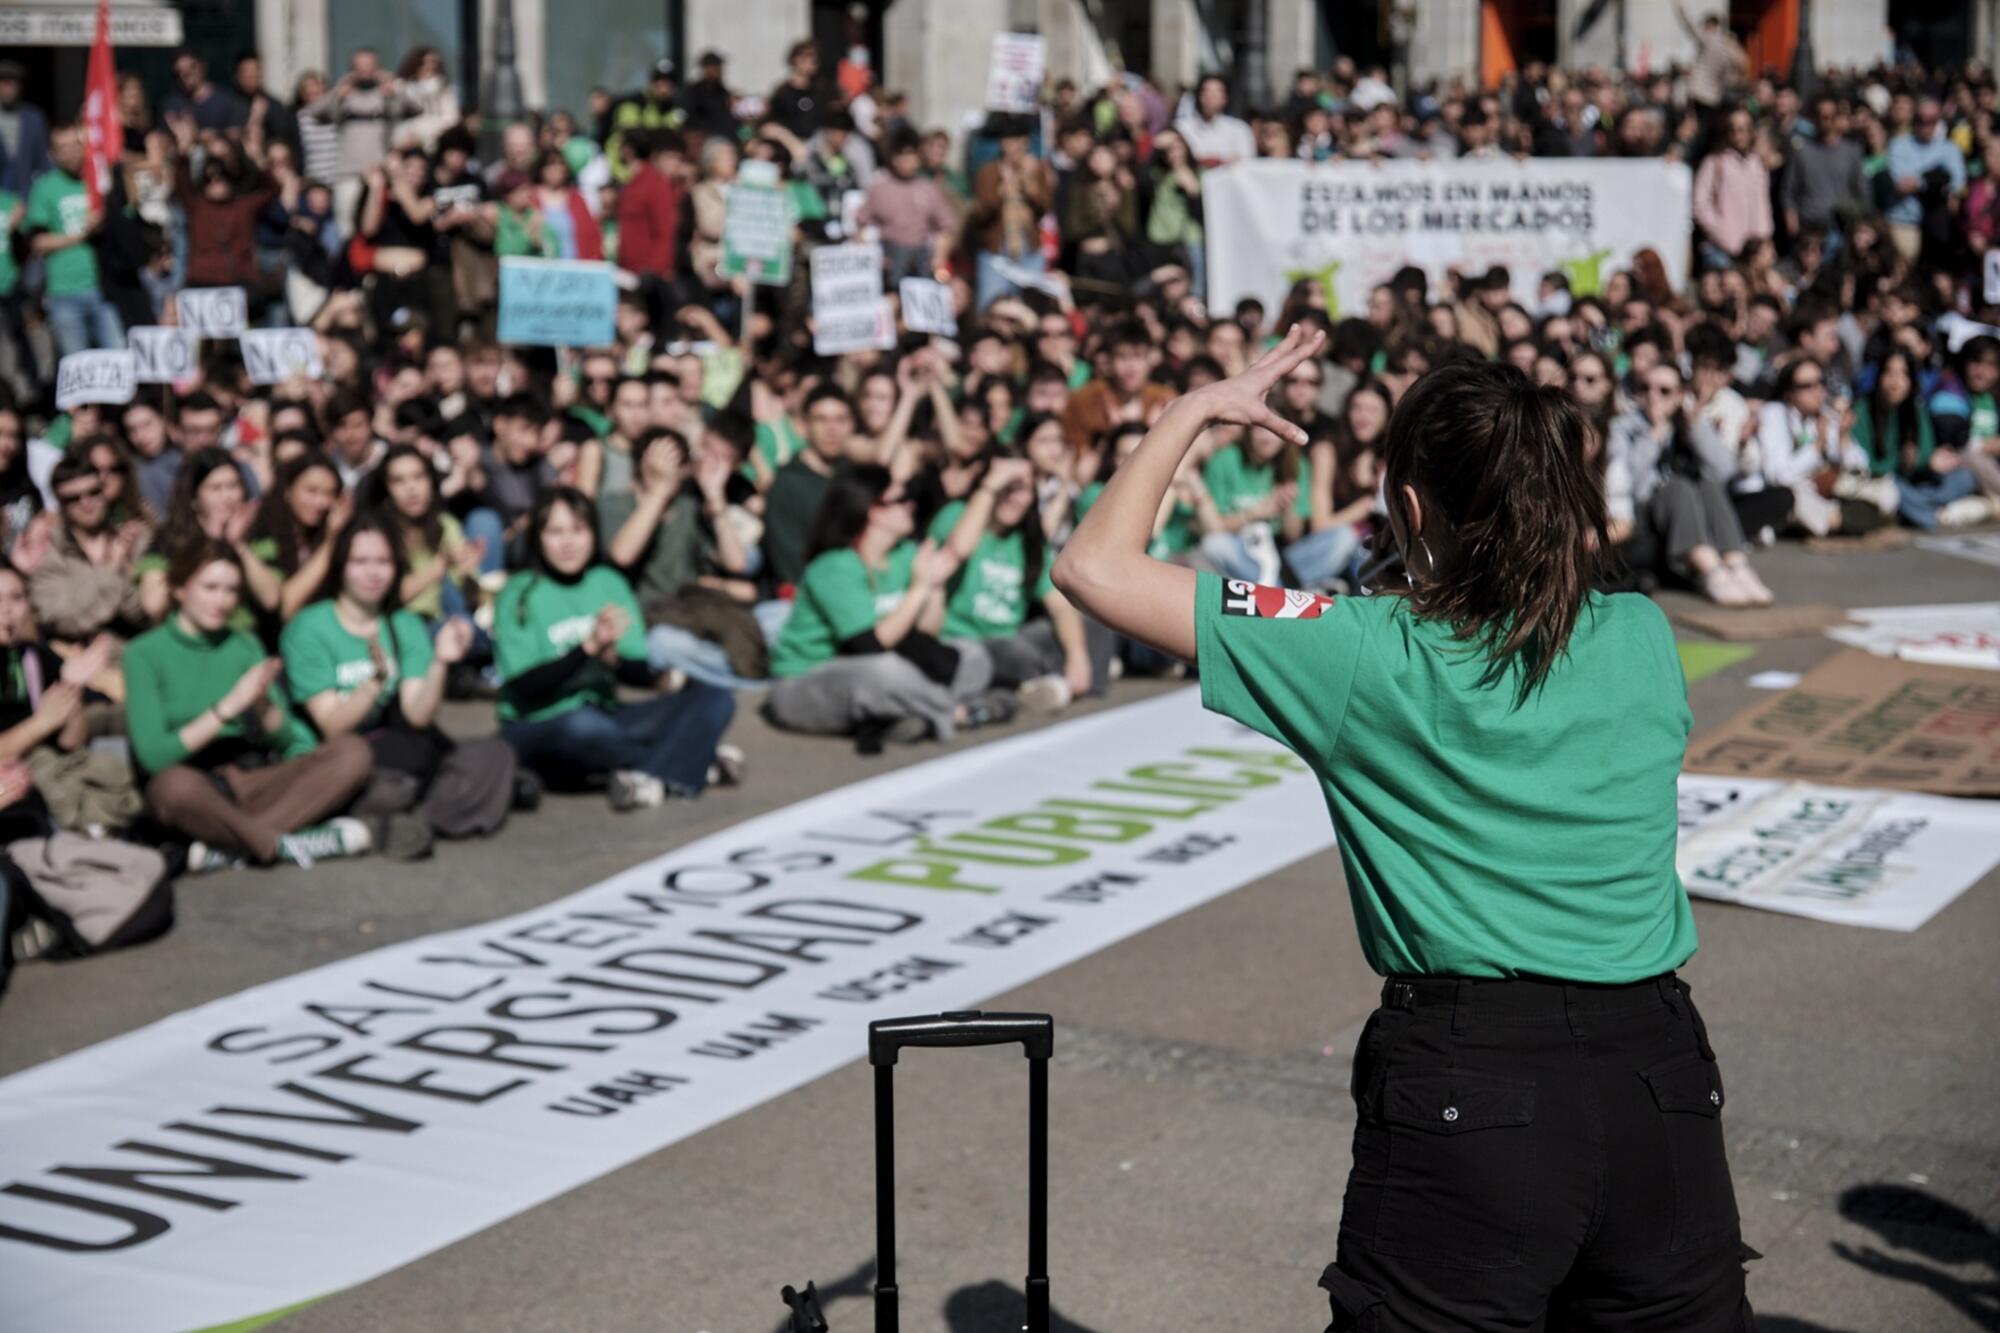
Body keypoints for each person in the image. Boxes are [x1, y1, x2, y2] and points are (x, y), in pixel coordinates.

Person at [1055, 331, 1751, 1330]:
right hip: (1659, 1084)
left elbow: (1093, 566)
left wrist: (1188, 412)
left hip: (1472, 1090)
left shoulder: (1356, 651)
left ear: (1412, 510)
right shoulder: (1641, 633)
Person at [125, 538, 375, 870]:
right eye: (210, 587)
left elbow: (285, 739)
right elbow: (154, 756)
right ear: (180, 589)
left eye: (231, 590)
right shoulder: (143, 653)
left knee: (352, 752)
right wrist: (227, 708)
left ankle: (232, 845)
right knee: (170, 789)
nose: (222, 600)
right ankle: (281, 845)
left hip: (253, 776)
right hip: (197, 784)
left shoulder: (244, 644)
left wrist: (263, 710)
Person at [494, 489, 737, 810]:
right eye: (555, 532)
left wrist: (618, 662)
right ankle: (693, 762)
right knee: (580, 725)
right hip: (539, 724)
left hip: (606, 714)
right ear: (537, 537)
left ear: (593, 533)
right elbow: (525, 686)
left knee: (716, 697)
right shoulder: (518, 593)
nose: (568, 543)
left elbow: (635, 667)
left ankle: (652, 777)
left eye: (578, 531)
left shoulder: (608, 583)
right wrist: (588, 648)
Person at [282, 517, 517, 845]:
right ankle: (407, 815)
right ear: (340, 566)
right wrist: (374, 684)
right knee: (391, 776)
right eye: (360, 562)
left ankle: (400, 821)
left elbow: (417, 715)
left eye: (383, 562)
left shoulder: (404, 623)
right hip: (341, 757)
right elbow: (332, 726)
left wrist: (439, 662)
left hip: (397, 752)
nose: (373, 572)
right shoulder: (309, 628)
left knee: (494, 755)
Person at [765, 465, 1011, 749]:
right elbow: (870, 644)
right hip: (806, 681)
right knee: (885, 672)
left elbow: (929, 631)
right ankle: (960, 713)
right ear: (872, 510)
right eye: (900, 500)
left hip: (876, 669)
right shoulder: (834, 566)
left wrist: (934, 586)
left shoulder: (903, 555)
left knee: (971, 654)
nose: (910, 505)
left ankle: (902, 715)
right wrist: (919, 589)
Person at [930, 457, 1096, 712]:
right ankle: (1023, 690)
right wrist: (991, 485)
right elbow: (958, 550)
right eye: (1008, 488)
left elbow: (1059, 604)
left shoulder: (1027, 539)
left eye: (1024, 490)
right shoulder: (957, 515)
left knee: (1081, 626)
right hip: (961, 640)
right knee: (1011, 653)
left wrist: (1077, 657)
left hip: (1009, 635)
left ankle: (1024, 690)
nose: (1015, 498)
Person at [1608, 363, 1773, 603]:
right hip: (1644, 514)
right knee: (1679, 487)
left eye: (1664, 391)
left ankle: (1736, 565)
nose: (1653, 396)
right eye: (1646, 388)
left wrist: (1696, 428)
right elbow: (1631, 484)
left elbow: (1724, 471)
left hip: (1686, 510)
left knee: (1708, 485)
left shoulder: (1687, 422)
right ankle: (1710, 570)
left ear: (1679, 395)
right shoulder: (1624, 426)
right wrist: (1654, 434)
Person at [27, 126, 124, 358]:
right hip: (64, 293)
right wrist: (82, 235)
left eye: (75, 145)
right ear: (53, 153)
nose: (71, 153)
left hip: (103, 287)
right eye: (63, 148)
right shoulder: (45, 187)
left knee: (118, 358)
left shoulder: (99, 181)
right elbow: (38, 243)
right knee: (77, 367)